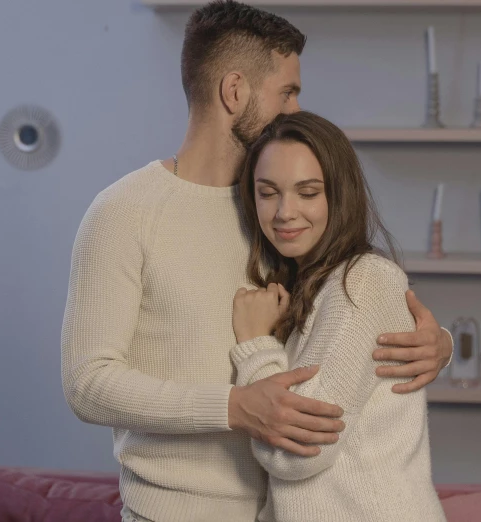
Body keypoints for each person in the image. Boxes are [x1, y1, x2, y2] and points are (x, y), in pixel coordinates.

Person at [61, 2, 453, 521]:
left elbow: (344, 311)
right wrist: (233, 407)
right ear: (235, 91)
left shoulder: (278, 214)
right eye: (286, 92)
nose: (295, 110)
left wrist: (436, 344)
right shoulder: (123, 213)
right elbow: (88, 383)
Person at [231, 111, 446, 522]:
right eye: (268, 192)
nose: (284, 212)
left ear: (339, 194)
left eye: (308, 192)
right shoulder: (310, 284)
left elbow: (297, 454)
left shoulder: (362, 280)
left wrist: (255, 346)